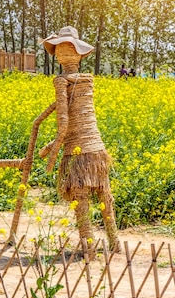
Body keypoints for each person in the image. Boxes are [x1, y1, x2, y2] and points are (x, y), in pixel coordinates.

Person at [36, 26, 119, 255]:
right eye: (61, 47)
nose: (63, 51)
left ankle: (89, 248)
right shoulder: (87, 80)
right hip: (97, 148)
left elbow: (63, 125)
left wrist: (51, 153)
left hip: (77, 151)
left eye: (65, 47)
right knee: (104, 195)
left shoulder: (61, 81)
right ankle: (115, 242)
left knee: (81, 197)